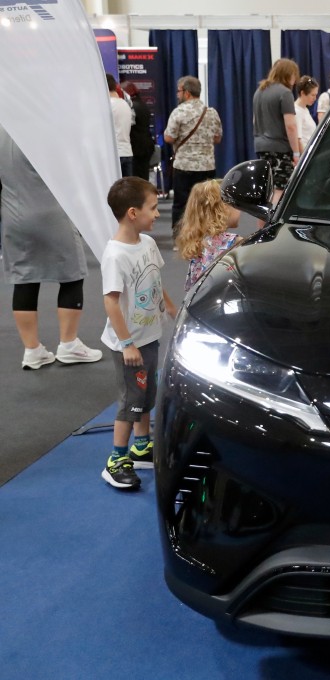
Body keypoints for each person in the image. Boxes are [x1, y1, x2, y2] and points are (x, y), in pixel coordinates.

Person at [0, 123, 104, 369]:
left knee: (24, 279)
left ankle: (32, 350)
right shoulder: (47, 126)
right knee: (72, 275)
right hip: (52, 211)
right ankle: (68, 344)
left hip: (14, 214)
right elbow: (72, 173)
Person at [100, 177, 177, 490]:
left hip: (149, 336)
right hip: (128, 345)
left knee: (147, 396)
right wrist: (127, 344)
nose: (158, 213)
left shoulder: (147, 243)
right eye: (153, 207)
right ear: (133, 213)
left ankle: (141, 446)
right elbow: (111, 303)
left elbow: (156, 281)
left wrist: (171, 308)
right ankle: (116, 459)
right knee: (130, 401)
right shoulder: (116, 255)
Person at [164, 75, 222, 240]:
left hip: (184, 166)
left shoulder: (179, 112)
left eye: (179, 91)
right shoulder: (211, 112)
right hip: (207, 166)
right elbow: (218, 138)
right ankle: (206, 237)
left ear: (187, 93)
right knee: (207, 203)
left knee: (181, 204)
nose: (177, 95)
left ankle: (180, 238)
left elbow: (168, 137)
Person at [175, 179, 241, 293]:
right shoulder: (235, 242)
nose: (240, 209)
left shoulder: (198, 239)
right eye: (236, 204)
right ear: (223, 208)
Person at [253, 58, 301, 208]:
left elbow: (254, 121)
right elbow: (291, 125)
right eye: (294, 75)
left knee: (267, 191)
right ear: (288, 74)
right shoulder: (285, 93)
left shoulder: (259, 91)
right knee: (280, 189)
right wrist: (296, 153)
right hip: (279, 148)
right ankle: (272, 227)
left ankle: (262, 228)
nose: (295, 80)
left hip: (261, 147)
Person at [122, 81, 155, 181]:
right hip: (146, 147)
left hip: (136, 149)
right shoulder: (142, 105)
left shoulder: (132, 107)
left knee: (136, 181)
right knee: (143, 178)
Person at [107, 73, 133, 178]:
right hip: (127, 152)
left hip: (114, 155)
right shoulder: (125, 104)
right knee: (127, 192)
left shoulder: (108, 105)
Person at [294, 75, 319, 155]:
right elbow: (298, 139)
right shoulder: (296, 111)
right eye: (312, 95)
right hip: (305, 154)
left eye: (316, 95)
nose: (315, 98)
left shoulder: (305, 109)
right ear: (302, 93)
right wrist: (304, 157)